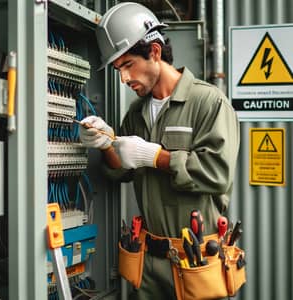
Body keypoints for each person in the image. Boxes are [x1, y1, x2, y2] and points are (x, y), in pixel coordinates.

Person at [80, 2, 240, 299]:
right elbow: (120, 172)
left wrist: (155, 156)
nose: (124, 79)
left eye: (128, 65)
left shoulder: (208, 103)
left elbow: (217, 173)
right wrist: (105, 144)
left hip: (196, 262)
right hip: (151, 265)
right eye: (118, 70)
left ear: (154, 52)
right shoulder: (136, 113)